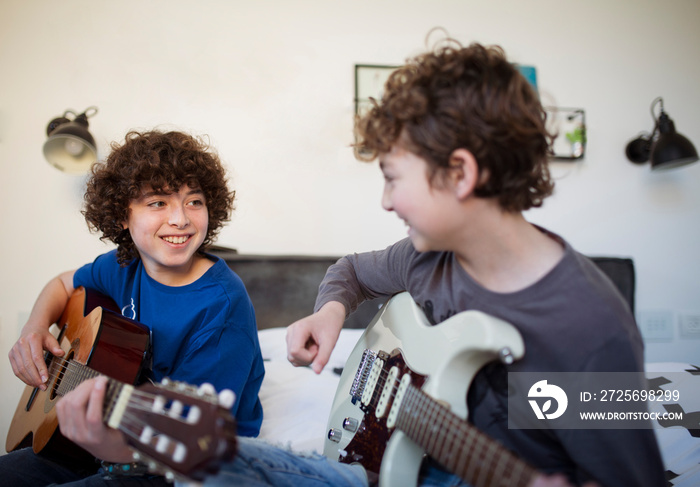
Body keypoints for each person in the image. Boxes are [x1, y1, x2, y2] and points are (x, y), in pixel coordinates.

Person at [204, 40, 665, 486]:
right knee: (208, 459)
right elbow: (352, 271)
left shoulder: (590, 327)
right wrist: (330, 311)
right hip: (379, 463)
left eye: (392, 179)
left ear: (460, 174)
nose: (386, 202)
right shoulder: (426, 259)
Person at [3, 130, 265, 486]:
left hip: (179, 464)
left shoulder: (222, 307)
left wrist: (104, 444)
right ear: (122, 216)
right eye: (158, 203)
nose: (180, 219)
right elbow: (63, 283)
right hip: (101, 440)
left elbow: (192, 445)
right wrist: (34, 328)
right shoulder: (125, 265)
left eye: (194, 201)